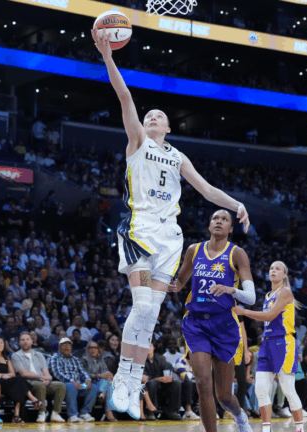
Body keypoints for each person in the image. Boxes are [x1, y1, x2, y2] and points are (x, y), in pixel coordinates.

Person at [92, 29, 251, 420]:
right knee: (142, 303)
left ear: (167, 128)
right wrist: (108, 57)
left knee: (151, 311)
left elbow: (207, 189)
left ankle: (132, 375)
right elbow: (126, 97)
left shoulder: (177, 156)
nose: (151, 117)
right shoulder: (136, 143)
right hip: (140, 230)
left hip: (170, 237)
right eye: (148, 116)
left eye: (158, 117)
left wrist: (236, 203)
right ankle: (126, 379)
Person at [169, 209, 256, 432]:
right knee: (202, 384)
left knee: (224, 396)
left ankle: (239, 415)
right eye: (214, 218)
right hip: (196, 324)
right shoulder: (193, 250)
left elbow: (252, 297)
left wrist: (231, 289)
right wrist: (164, 284)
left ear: (230, 229)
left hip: (224, 325)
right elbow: (180, 282)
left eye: (224, 219)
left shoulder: (237, 254)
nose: (218, 221)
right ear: (209, 226)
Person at [235, 261, 305, 432]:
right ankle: (266, 429)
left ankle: (300, 428)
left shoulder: (285, 292)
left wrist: (244, 312)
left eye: (278, 269)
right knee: (260, 389)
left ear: (284, 275)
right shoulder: (268, 295)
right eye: (271, 268)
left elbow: (270, 315)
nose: (273, 270)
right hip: (267, 343)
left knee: (287, 388)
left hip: (283, 342)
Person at [11, 332, 67, 424]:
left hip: (42, 381)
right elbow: (23, 373)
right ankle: (42, 413)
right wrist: (42, 377)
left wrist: (47, 379)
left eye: (27, 339)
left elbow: (46, 372)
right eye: (23, 340)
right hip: (27, 384)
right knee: (39, 384)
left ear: (32, 341)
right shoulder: (16, 356)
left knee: (60, 385)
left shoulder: (39, 355)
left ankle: (55, 413)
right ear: (19, 343)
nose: (25, 342)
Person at [0, 336, 44, 424]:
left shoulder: (6, 358)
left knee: (19, 384)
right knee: (20, 381)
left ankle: (17, 415)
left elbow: (12, 373)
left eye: (1, 343)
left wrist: (4, 375)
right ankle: (32, 401)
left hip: (8, 382)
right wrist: (3, 376)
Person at [47, 337, 98, 423]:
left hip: (79, 385)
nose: (67, 347)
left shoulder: (76, 359)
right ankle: (72, 415)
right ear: (59, 347)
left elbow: (83, 372)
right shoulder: (54, 358)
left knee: (93, 387)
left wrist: (88, 380)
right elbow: (57, 373)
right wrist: (72, 381)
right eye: (64, 345)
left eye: (69, 345)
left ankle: (84, 413)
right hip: (65, 385)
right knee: (70, 386)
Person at [82, 341, 117, 421]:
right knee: (108, 384)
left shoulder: (100, 360)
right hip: (90, 383)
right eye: (91, 348)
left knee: (110, 383)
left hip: (102, 383)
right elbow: (84, 375)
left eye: (95, 348)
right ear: (87, 349)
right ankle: (108, 411)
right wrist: (99, 376)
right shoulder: (84, 360)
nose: (93, 350)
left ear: (98, 350)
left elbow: (105, 372)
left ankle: (102, 393)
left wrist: (109, 375)